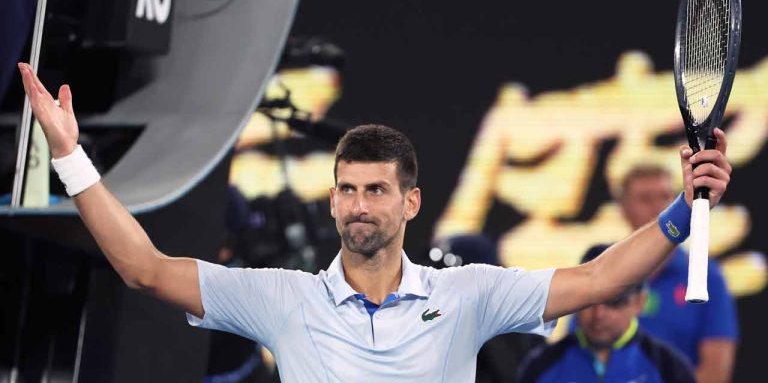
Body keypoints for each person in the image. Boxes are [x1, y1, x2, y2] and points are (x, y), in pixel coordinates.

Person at [16, 63, 732, 381]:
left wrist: (683, 209)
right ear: (332, 201)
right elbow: (144, 269)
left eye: (377, 191)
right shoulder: (282, 300)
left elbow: (603, 276)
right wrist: (73, 158)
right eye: (348, 190)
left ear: (410, 203)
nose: (360, 204)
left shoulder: (469, 296)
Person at [618, 164, 738, 383]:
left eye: (665, 197)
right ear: (623, 209)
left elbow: (716, 373)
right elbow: (578, 356)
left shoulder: (708, 276)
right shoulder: (606, 275)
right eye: (645, 199)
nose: (658, 207)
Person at [518, 243, 695, 383]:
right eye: (588, 301)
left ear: (639, 302)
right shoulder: (541, 365)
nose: (598, 314)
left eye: (614, 302)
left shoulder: (669, 368)